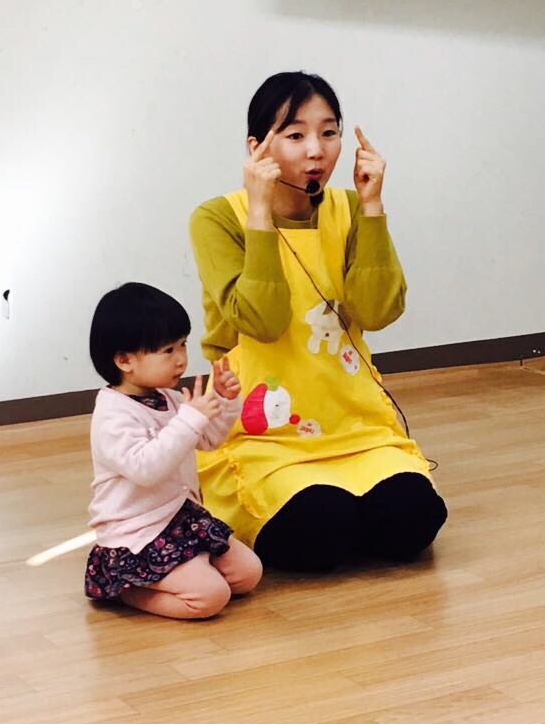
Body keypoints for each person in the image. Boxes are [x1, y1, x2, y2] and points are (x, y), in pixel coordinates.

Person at [189, 71, 447, 572]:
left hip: (354, 425)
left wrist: (372, 207)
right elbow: (263, 322)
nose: (316, 151)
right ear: (257, 148)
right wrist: (260, 212)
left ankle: (354, 510)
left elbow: (378, 311)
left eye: (329, 133)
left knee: (414, 521)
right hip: (265, 436)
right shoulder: (216, 219)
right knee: (318, 531)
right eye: (295, 135)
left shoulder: (350, 208)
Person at [84, 283, 262, 618]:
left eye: (183, 344)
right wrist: (189, 419)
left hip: (180, 519)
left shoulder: (170, 398)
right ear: (124, 360)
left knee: (248, 574)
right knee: (210, 597)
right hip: (138, 533)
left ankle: (187, 568)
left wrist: (224, 401)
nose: (181, 359)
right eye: (168, 350)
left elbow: (208, 440)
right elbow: (146, 468)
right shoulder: (112, 415)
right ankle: (126, 589)